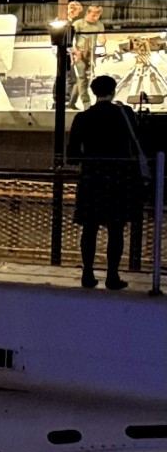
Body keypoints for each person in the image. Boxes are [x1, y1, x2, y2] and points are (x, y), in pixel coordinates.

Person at [67, 73, 147, 290]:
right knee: (116, 229)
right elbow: (137, 141)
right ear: (113, 91)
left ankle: (87, 273)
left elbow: (72, 156)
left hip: (92, 179)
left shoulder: (82, 119)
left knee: (89, 228)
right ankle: (112, 275)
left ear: (93, 92)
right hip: (119, 180)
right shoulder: (125, 114)